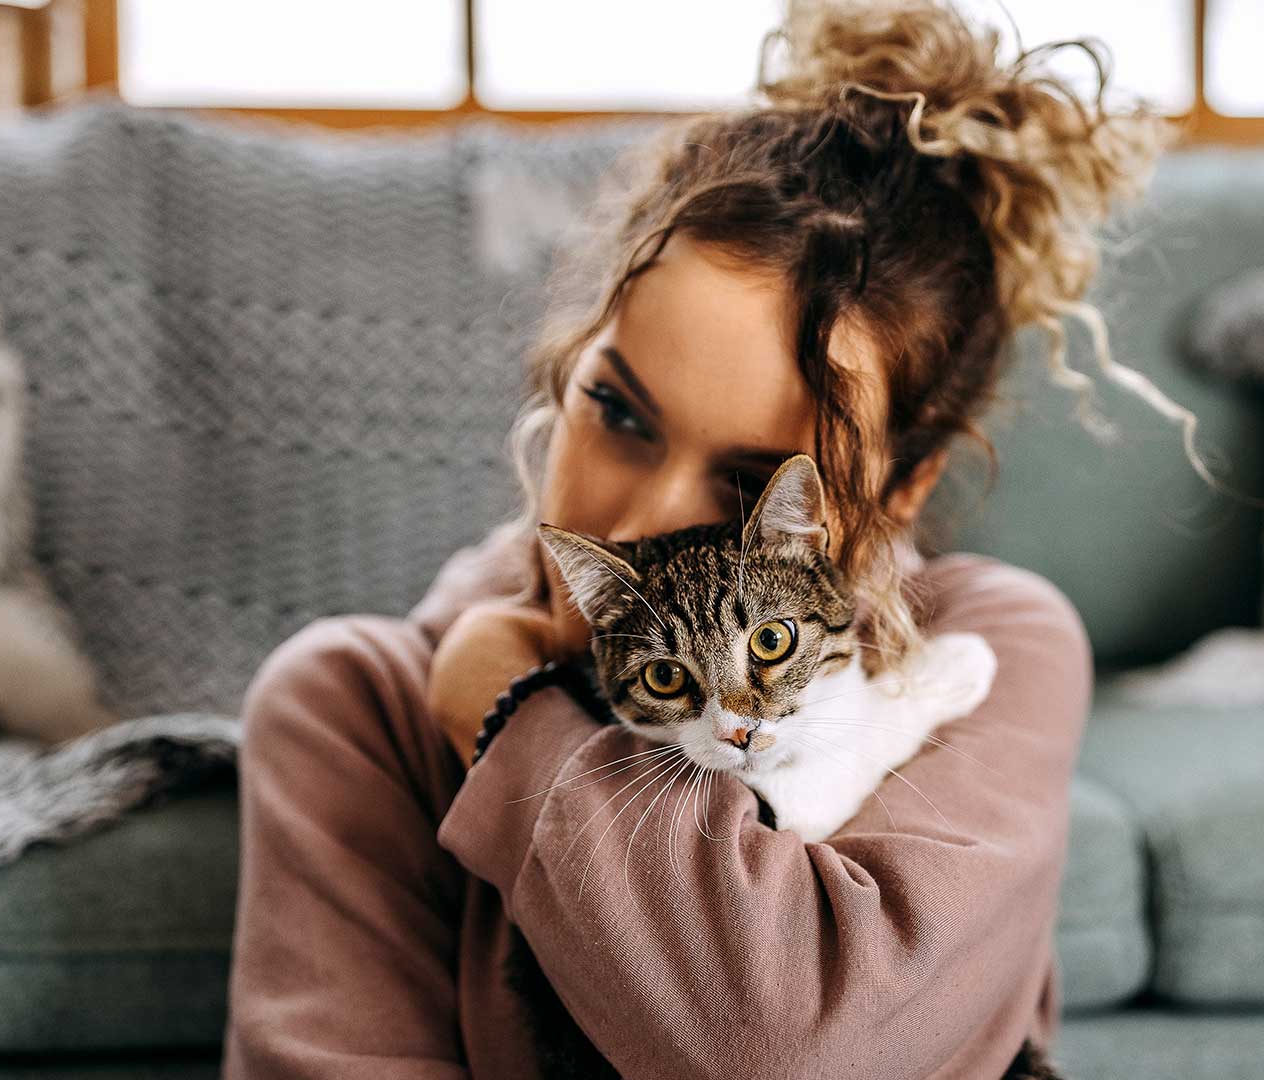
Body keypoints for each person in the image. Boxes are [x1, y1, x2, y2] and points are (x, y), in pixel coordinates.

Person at [222, 1, 1193, 1076]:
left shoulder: (999, 647)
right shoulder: (353, 708)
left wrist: (510, 719)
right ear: (570, 362)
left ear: (905, 488)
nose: (636, 524)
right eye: (619, 413)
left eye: (746, 483)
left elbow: (789, 1051)